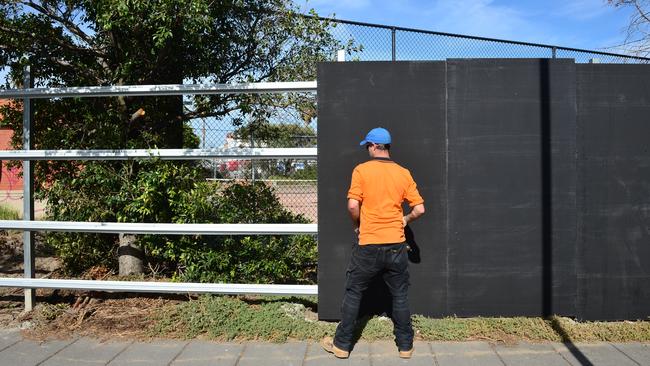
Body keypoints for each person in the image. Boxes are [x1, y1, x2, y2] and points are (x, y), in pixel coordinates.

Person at [321, 127, 425, 359]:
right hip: (397, 245)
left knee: (354, 292)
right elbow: (419, 208)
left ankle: (341, 345)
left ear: (375, 146)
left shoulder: (362, 170)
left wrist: (357, 224)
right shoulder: (403, 173)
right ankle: (405, 346)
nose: (367, 149)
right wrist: (404, 219)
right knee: (399, 295)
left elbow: (352, 205)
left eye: (368, 145)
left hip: (368, 244)